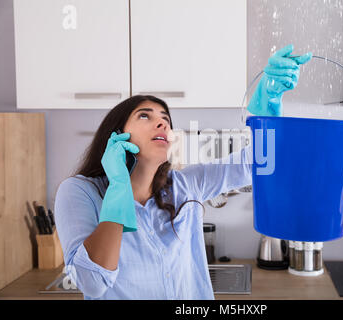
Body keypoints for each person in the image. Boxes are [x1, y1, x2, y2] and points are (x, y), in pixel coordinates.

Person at [54, 45, 311, 299]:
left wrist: (266, 110)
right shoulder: (80, 192)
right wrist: (119, 186)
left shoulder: (185, 185)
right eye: (145, 116)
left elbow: (257, 162)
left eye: (165, 118)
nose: (162, 122)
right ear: (116, 135)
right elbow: (93, 283)